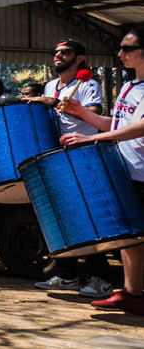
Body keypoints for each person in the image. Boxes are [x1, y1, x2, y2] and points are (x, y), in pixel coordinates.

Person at [59, 26, 144, 315]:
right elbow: (118, 125)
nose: (120, 54)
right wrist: (81, 113)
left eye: (127, 49)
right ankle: (132, 293)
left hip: (141, 173)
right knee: (130, 237)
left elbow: (140, 128)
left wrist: (92, 138)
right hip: (127, 170)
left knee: (134, 236)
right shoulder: (129, 85)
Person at [26, 39, 111, 297]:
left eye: (65, 52)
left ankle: (99, 277)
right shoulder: (51, 85)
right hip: (58, 156)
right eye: (56, 52)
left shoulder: (88, 84)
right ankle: (66, 275)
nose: (58, 56)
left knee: (91, 215)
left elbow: (93, 112)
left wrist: (52, 102)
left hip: (84, 154)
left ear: (80, 58)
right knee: (66, 216)